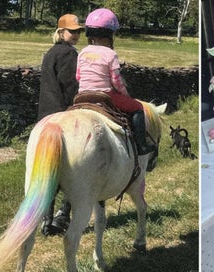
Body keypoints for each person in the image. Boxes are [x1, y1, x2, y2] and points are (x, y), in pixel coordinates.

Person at [76, 8, 155, 155]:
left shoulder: (83, 52)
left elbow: (78, 77)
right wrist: (125, 94)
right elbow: (116, 81)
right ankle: (141, 146)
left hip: (82, 95)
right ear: (109, 34)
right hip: (105, 95)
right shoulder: (111, 54)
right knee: (137, 107)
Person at [38, 14, 84, 237]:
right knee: (74, 167)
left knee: (48, 171)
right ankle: (63, 214)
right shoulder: (68, 53)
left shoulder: (50, 53)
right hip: (63, 115)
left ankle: (45, 219)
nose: (76, 35)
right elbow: (70, 86)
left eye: (78, 31)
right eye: (72, 31)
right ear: (61, 32)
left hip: (45, 116)